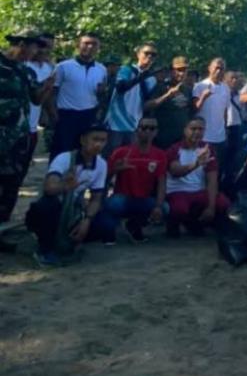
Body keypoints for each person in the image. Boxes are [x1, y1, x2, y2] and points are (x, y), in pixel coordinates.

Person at [26, 124, 109, 265]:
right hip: (55, 204)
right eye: (95, 139)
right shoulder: (64, 158)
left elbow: (96, 199)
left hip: (74, 209)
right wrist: (64, 186)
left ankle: (70, 240)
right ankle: (45, 250)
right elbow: (49, 188)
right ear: (83, 140)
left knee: (105, 224)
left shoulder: (101, 164)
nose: (99, 144)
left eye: (103, 140)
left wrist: (87, 220)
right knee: (46, 206)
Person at [1, 30, 54, 246]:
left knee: (11, 184)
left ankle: (2, 229)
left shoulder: (26, 71)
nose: (37, 52)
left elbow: (36, 99)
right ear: (22, 44)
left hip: (18, 139)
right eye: (34, 48)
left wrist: (47, 87)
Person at [100, 116, 167, 243]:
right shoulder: (121, 152)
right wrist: (116, 169)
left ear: (156, 132)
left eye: (152, 128)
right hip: (122, 198)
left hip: (144, 199)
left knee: (165, 207)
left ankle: (134, 225)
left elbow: (161, 183)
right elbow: (103, 179)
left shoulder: (160, 155)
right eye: (144, 127)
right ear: (137, 130)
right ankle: (109, 228)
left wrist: (158, 206)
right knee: (113, 204)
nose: (148, 131)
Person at [165, 117, 230, 237]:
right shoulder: (175, 149)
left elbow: (212, 180)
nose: (197, 132)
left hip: (199, 191)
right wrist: (196, 164)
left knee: (222, 202)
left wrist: (211, 207)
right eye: (193, 129)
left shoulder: (207, 149)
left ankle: (199, 224)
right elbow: (175, 171)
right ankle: (173, 225)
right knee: (179, 209)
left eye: (200, 129)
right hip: (177, 191)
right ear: (185, 130)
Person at [50, 32, 108, 159]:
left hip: (89, 116)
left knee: (85, 153)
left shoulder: (102, 69)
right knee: (61, 153)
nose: (90, 47)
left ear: (98, 48)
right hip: (66, 116)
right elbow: (52, 92)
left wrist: (101, 94)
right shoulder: (63, 67)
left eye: (94, 44)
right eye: (86, 43)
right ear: (78, 45)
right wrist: (53, 114)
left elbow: (101, 95)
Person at [104, 42, 159, 157]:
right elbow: (120, 88)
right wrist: (139, 78)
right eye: (146, 53)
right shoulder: (126, 70)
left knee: (129, 158)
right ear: (138, 54)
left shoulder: (152, 79)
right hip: (116, 123)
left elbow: (146, 102)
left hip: (135, 126)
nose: (150, 56)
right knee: (112, 157)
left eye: (153, 55)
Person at [145, 56, 193, 150]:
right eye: (179, 70)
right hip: (163, 139)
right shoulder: (161, 87)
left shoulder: (187, 89)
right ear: (171, 71)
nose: (182, 73)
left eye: (184, 70)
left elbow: (189, 111)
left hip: (181, 138)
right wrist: (167, 95)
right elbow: (146, 106)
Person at [24, 32, 55, 172]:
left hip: (32, 124)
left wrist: (51, 114)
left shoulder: (49, 68)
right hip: (14, 124)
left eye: (48, 47)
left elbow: (47, 96)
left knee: (23, 166)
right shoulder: (23, 65)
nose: (44, 50)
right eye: (41, 46)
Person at [192, 58, 231, 169]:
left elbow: (225, 110)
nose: (218, 71)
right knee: (202, 168)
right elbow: (194, 109)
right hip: (204, 137)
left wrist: (225, 129)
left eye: (221, 69)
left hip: (220, 137)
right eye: (216, 68)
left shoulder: (225, 88)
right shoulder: (200, 86)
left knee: (217, 169)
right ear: (209, 68)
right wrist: (203, 97)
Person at [223, 70, 244, 188]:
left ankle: (229, 185)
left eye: (236, 78)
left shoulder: (240, 95)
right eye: (231, 78)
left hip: (236, 127)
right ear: (225, 79)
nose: (234, 80)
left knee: (233, 158)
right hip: (224, 127)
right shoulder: (221, 93)